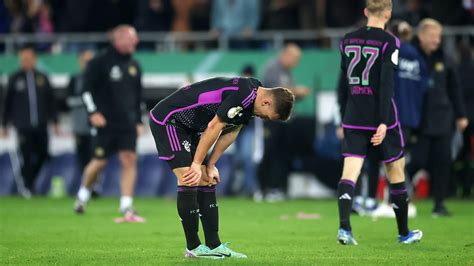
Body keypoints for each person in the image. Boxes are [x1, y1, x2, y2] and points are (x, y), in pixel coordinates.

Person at [149, 77, 294, 259]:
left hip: (190, 129)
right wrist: (196, 164)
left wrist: (210, 165)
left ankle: (214, 245)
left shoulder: (254, 94)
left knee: (207, 180)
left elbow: (230, 132)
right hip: (169, 120)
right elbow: (214, 126)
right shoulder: (245, 95)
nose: (263, 118)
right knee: (189, 177)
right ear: (267, 102)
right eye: (266, 115)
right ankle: (193, 248)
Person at [337, 0, 422, 245]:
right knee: (396, 172)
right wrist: (384, 122)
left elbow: (342, 85)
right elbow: (386, 85)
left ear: (365, 12)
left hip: (354, 116)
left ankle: (345, 230)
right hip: (381, 117)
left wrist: (344, 116)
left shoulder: (346, 40)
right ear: (388, 14)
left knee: (349, 173)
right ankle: (404, 233)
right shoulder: (389, 42)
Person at [74, 25, 145, 223]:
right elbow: (86, 91)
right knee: (99, 162)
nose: (136, 42)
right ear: (119, 39)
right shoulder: (99, 62)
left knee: (129, 159)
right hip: (105, 123)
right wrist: (93, 112)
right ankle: (82, 196)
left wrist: (139, 120)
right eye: (132, 38)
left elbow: (138, 96)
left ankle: (126, 204)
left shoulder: (134, 65)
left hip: (128, 124)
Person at [406, 19, 469, 216]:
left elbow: (454, 89)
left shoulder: (446, 59)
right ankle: (399, 196)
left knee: (442, 163)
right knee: (417, 161)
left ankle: (439, 204)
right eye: (433, 36)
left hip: (443, 119)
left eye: (438, 37)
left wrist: (461, 115)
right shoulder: (411, 56)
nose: (436, 40)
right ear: (421, 36)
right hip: (419, 120)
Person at [1, 46, 59, 195]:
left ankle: (30, 181)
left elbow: (51, 101)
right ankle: (27, 187)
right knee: (25, 156)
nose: (26, 62)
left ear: (34, 59)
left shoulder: (42, 77)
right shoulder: (14, 78)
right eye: (23, 59)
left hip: (41, 124)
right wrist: (4, 125)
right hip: (22, 125)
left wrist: (55, 121)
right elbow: (6, 103)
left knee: (43, 154)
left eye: (29, 59)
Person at [258, 43, 310, 202]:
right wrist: (296, 91)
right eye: (295, 59)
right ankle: (263, 189)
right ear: (286, 55)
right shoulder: (272, 67)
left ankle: (278, 188)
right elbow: (277, 92)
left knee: (282, 154)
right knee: (270, 152)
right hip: (271, 119)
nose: (296, 63)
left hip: (284, 120)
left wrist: (296, 95)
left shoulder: (287, 72)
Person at [66, 50, 94, 176]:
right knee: (82, 158)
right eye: (85, 61)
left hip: (95, 127)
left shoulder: (98, 79)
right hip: (79, 127)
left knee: (96, 157)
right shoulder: (75, 79)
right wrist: (86, 100)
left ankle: (95, 186)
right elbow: (68, 101)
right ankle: (86, 186)